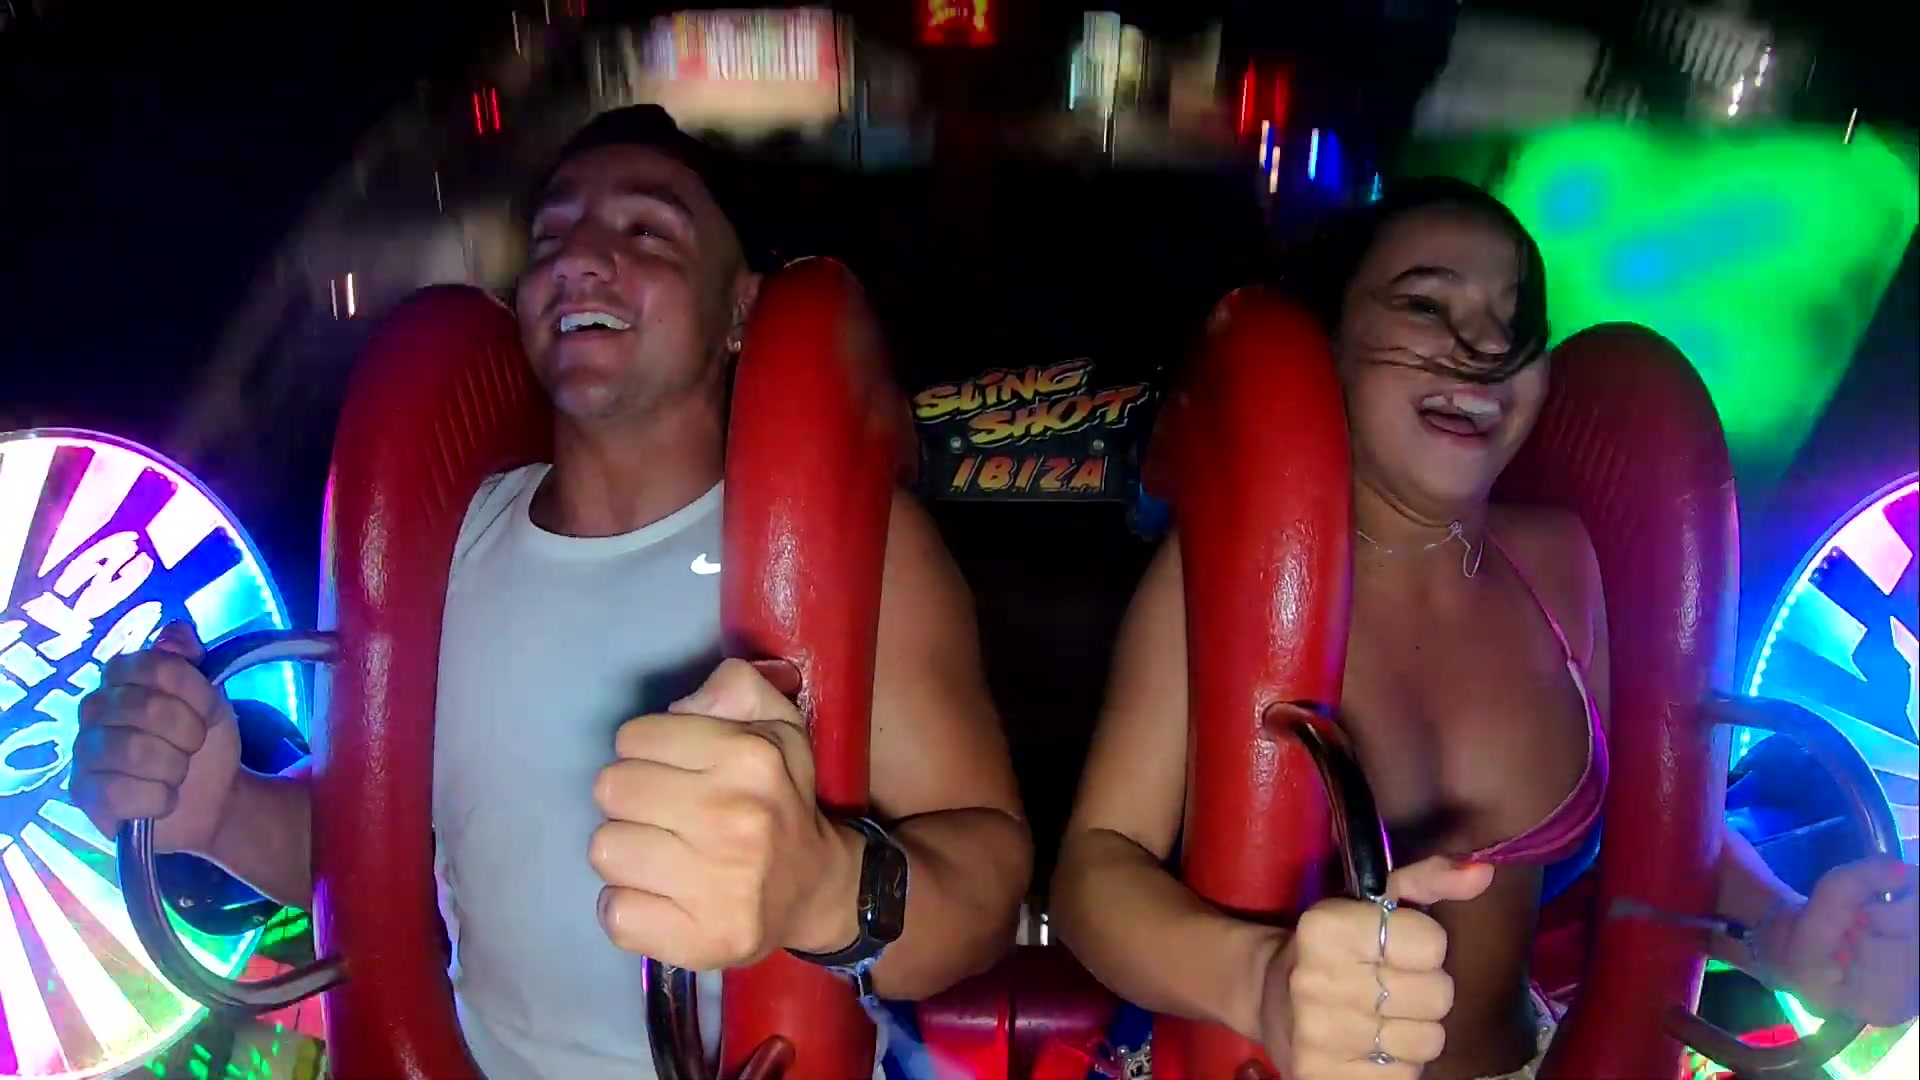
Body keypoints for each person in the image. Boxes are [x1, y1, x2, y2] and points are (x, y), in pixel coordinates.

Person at [72, 105, 1031, 1080]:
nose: (580, 260)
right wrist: (216, 810)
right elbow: (368, 859)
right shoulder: (439, 552)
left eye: (646, 232)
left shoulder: (848, 546)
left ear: (741, 308)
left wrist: (826, 886)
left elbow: (987, 881)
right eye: (550, 237)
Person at [1049, 177, 1919, 1080]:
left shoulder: (1564, 562)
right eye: (1427, 305)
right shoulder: (1229, 570)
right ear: (1328, 350)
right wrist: (1259, 980)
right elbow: (1093, 871)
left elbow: (1666, 829)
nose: (1487, 350)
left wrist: (1788, 932)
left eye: (1516, 321)